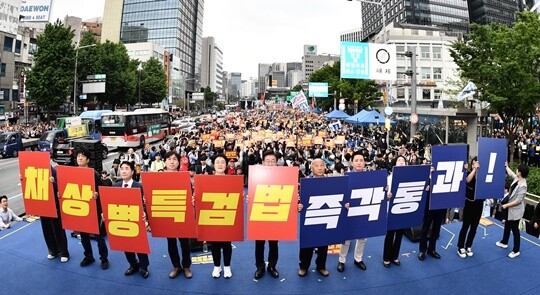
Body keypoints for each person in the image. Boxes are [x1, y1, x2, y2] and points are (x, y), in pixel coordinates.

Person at [74, 147, 109, 270]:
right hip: (81, 209)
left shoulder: (93, 174)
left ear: (87, 159)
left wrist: (97, 194)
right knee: (83, 236)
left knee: (99, 236)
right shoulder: (73, 173)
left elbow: (104, 188)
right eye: (78, 156)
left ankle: (104, 258)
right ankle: (88, 256)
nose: (80, 158)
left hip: (94, 209)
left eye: (83, 156)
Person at [114, 160, 150, 278]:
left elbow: (145, 203)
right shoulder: (116, 186)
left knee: (140, 243)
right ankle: (133, 264)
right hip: (122, 219)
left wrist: (146, 217)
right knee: (127, 244)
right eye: (122, 168)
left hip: (137, 219)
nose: (123, 171)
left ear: (132, 171)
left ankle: (144, 267)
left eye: (126, 168)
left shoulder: (139, 186)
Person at [162, 151, 193, 279]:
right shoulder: (159, 178)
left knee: (184, 242)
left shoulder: (184, 177)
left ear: (179, 162)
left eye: (174, 159)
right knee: (171, 242)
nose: (172, 161)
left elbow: (190, 193)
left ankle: (186, 266)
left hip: (182, 213)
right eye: (169, 159)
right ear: (165, 162)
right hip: (167, 213)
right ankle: (176, 266)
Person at [298, 158, 331, 277]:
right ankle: (303, 266)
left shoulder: (330, 182)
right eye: (316, 166)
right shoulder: (305, 182)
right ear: (311, 168)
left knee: (323, 243)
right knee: (307, 243)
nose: (320, 167)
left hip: (325, 215)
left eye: (322, 165)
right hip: (309, 217)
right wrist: (299, 205)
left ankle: (321, 266)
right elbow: (298, 199)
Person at [337, 150, 368, 273]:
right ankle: (342, 260)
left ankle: (358, 259)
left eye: (361, 160)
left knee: (362, 238)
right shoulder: (345, 177)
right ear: (352, 162)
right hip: (348, 211)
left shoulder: (370, 177)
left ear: (365, 162)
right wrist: (344, 203)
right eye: (356, 160)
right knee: (347, 238)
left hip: (364, 210)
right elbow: (340, 194)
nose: (359, 163)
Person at [253, 151, 280, 279]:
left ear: (277, 163)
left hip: (276, 213)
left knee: (274, 243)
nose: (270, 163)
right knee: (259, 243)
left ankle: (272, 266)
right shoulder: (256, 177)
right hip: (260, 213)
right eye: (267, 161)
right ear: (263, 162)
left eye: (273, 161)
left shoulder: (282, 177)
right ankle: (260, 267)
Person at [496, 163, 528, 258]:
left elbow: (518, 201)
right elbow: (511, 174)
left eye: (517, 170)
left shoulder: (523, 185)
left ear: (520, 173)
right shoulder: (517, 179)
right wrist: (506, 167)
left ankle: (516, 250)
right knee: (507, 225)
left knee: (515, 230)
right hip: (511, 209)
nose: (516, 171)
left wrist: (506, 205)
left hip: (516, 211)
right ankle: (504, 242)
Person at [209, 154, 233, 278]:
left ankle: (227, 267)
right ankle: (217, 267)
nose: (220, 165)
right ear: (213, 164)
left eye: (222, 162)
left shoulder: (232, 180)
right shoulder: (207, 181)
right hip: (212, 215)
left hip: (227, 214)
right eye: (217, 162)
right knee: (215, 244)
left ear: (226, 165)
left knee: (226, 243)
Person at [382, 155, 407, 267]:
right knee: (390, 234)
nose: (401, 162)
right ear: (395, 163)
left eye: (403, 161)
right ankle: (386, 258)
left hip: (404, 209)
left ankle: (395, 256)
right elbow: (384, 194)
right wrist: (387, 195)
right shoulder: (389, 178)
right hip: (391, 209)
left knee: (400, 234)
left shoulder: (409, 177)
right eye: (399, 160)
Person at [457, 157, 484, 258]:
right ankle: (460, 247)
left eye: (477, 164)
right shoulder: (469, 173)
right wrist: (474, 170)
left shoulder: (483, 176)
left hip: (479, 204)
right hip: (469, 203)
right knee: (465, 226)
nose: (475, 165)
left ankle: (468, 245)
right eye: (473, 164)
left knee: (474, 227)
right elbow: (467, 180)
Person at [418, 166, 446, 261]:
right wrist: (429, 174)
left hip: (441, 203)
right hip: (429, 204)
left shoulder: (446, 171)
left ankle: (432, 249)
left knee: (437, 227)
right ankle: (422, 250)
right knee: (425, 227)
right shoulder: (427, 173)